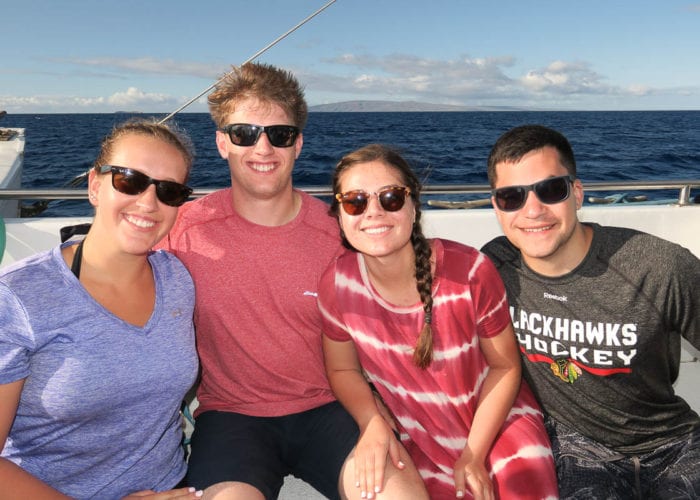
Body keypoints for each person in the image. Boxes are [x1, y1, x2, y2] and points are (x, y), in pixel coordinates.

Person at [156, 62, 361, 500]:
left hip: (330, 408)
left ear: (298, 144)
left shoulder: (338, 231)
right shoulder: (182, 230)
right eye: (245, 133)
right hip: (231, 417)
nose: (263, 147)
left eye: (279, 134)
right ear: (221, 143)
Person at [317, 144, 559, 500]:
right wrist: (373, 423)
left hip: (497, 424)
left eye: (391, 198)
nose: (374, 212)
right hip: (420, 435)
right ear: (339, 214)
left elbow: (505, 367)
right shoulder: (338, 285)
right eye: (355, 201)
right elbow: (342, 371)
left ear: (413, 206)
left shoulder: (470, 271)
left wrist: (474, 454)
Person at [481, 124, 700, 499]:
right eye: (511, 197)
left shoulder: (658, 267)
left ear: (576, 194)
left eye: (551, 190)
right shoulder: (493, 267)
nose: (532, 210)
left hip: (673, 440)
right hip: (578, 448)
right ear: (497, 207)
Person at [0, 119, 201, 499]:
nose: (148, 202)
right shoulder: (18, 296)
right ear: (95, 185)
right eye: (129, 180)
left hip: (171, 487)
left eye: (169, 191)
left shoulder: (177, 280)